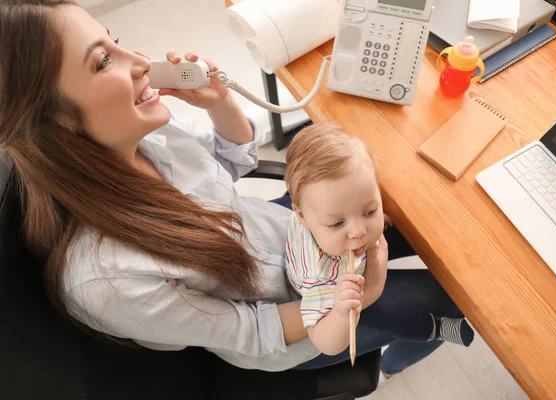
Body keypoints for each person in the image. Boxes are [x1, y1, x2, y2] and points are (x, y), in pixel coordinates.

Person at [0, 0, 469, 376]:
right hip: (304, 318)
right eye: (104, 62)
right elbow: (254, 329)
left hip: (293, 234)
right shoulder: (108, 282)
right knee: (451, 299)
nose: (142, 62)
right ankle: (408, 348)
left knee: (444, 221)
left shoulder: (144, 132)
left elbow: (232, 161)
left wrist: (221, 103)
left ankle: (407, 336)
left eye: (116, 43)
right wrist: (361, 297)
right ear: (53, 121)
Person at [283, 123, 473, 356]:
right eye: (337, 223)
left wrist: (367, 214)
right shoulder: (318, 278)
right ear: (302, 216)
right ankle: (432, 328)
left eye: (368, 211)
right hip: (338, 293)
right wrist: (342, 313)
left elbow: (350, 206)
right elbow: (325, 343)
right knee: (387, 311)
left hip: (349, 258)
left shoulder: (328, 209)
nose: (359, 231)